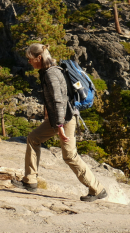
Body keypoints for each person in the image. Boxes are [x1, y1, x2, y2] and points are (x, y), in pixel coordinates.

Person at [12, 43, 107, 202]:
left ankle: (97, 189)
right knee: (33, 138)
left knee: (69, 155)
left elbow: (59, 101)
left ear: (39, 58)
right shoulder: (48, 71)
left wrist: (60, 127)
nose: (29, 62)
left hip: (66, 118)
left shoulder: (51, 74)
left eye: (30, 59)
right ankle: (30, 181)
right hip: (58, 118)